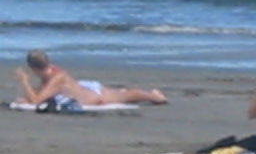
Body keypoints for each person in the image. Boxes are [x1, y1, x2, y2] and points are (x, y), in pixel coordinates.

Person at [14, 49, 168, 109]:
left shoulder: (56, 77)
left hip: (94, 97)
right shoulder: (49, 73)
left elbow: (36, 100)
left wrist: (24, 81)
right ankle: (149, 94)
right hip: (85, 90)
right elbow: (42, 94)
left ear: (33, 69)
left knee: (126, 95)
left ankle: (155, 96)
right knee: (123, 94)